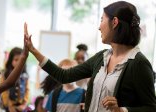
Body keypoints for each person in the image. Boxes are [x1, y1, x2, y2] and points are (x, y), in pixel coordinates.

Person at [24, 1, 156, 112]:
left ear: (114, 22)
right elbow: (64, 76)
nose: (99, 27)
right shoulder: (101, 57)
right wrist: (33, 50)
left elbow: (151, 107)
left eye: (102, 20)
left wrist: (122, 110)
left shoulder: (138, 63)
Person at [0, 47, 30, 112]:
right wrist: (9, 105)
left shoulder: (25, 75)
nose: (19, 62)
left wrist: (24, 104)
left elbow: (27, 90)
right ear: (11, 60)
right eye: (16, 60)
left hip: (21, 106)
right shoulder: (5, 74)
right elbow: (3, 91)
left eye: (21, 60)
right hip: (9, 106)